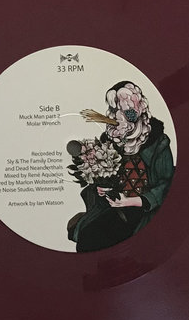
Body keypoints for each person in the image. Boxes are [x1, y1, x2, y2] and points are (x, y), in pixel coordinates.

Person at [65, 81, 174, 252]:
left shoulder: (158, 143)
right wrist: (101, 188)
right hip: (113, 209)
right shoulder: (109, 141)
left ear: (140, 111)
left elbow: (167, 186)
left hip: (142, 212)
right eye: (115, 111)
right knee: (89, 235)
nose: (120, 118)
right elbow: (104, 177)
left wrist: (131, 201)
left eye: (128, 112)